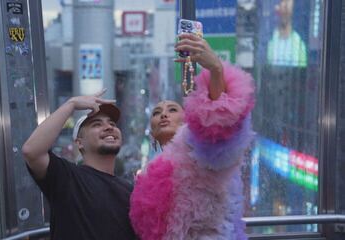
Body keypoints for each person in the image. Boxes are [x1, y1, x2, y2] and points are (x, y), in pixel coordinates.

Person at [129, 33, 255, 239]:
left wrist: (215, 70)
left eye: (172, 109)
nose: (163, 114)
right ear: (151, 132)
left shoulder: (200, 150)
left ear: (190, 119)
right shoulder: (149, 172)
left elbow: (219, 123)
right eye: (156, 112)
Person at [22, 90, 137, 240]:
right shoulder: (67, 178)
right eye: (97, 124)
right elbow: (31, 151)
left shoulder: (130, 190)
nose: (109, 127)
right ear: (79, 142)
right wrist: (72, 104)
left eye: (112, 124)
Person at [267, 0, 307, 67]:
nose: (285, 10)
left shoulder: (300, 45)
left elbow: (302, 72)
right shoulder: (269, 42)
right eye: (283, 4)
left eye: (287, 9)